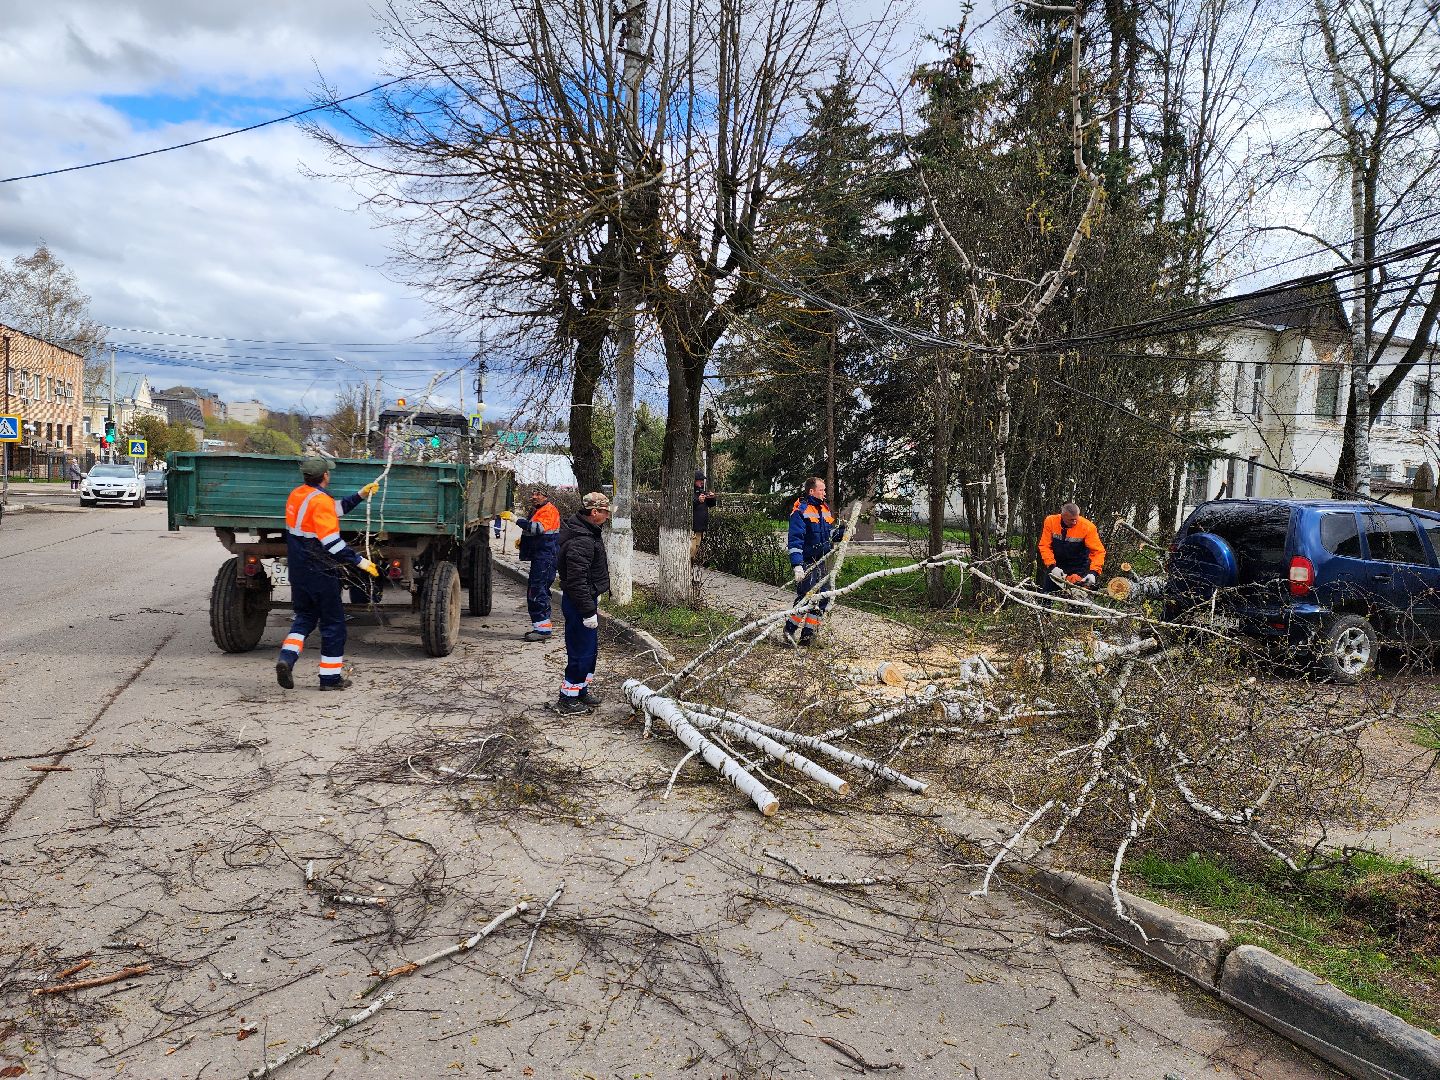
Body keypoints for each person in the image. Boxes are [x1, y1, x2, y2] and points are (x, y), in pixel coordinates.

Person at [275, 455, 382, 691]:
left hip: (299, 571)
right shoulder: (320, 501)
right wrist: (360, 562)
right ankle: (330, 679)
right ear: (325, 476)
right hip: (320, 570)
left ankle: (287, 658)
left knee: (304, 617)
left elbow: (333, 510)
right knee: (334, 624)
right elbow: (332, 543)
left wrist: (361, 495)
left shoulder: (298, 495)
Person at [554, 491, 611, 714]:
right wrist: (588, 611)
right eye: (605, 512)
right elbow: (577, 580)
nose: (607, 516)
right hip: (580, 603)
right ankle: (567, 699)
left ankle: (581, 690)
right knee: (580, 650)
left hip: (585, 599)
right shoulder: (581, 540)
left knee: (589, 649)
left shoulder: (587, 532)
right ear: (594, 512)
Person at [784, 477, 842, 647]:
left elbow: (829, 534)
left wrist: (843, 533)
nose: (824, 493)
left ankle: (807, 637)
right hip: (807, 562)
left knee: (822, 598)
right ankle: (789, 630)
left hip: (820, 562)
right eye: (821, 490)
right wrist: (797, 565)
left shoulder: (824, 509)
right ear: (811, 491)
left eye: (824, 490)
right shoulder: (800, 511)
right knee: (806, 598)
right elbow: (795, 541)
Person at [510, 489, 562, 641]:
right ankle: (541, 627)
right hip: (542, 557)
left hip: (545, 558)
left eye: (537, 494)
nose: (533, 496)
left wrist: (516, 519)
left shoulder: (548, 511)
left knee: (538, 592)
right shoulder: (539, 510)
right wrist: (525, 541)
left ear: (546, 496)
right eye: (533, 493)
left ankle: (543, 630)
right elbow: (536, 532)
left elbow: (537, 529)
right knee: (538, 591)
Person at [1037, 501, 1105, 592]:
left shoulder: (1088, 527)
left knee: (1076, 602)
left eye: (1076, 519)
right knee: (1046, 597)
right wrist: (1052, 566)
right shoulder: (1051, 521)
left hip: (1078, 568)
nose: (1074, 522)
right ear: (1063, 516)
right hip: (1057, 567)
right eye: (1071, 520)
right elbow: (1044, 545)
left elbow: (1098, 551)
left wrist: (1093, 573)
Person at [691, 470, 717, 563]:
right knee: (691, 550)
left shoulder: (703, 492)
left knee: (695, 551)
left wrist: (712, 498)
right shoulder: (690, 493)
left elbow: (711, 505)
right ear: (693, 481)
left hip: (700, 529)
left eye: (702, 480)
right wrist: (698, 500)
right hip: (692, 528)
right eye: (699, 480)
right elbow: (688, 506)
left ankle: (690, 570)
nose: (701, 482)